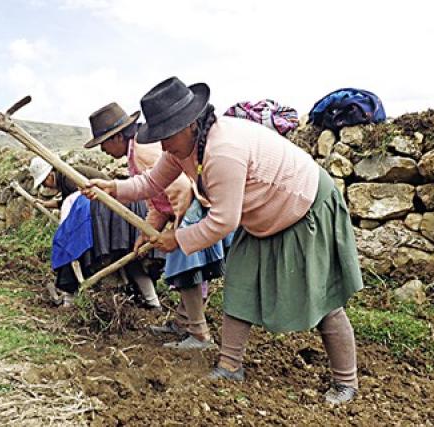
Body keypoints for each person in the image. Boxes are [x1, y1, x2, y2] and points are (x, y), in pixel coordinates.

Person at [82, 77, 364, 404]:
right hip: (261, 214)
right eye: (158, 137)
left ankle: (346, 381)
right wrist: (112, 187)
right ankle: (230, 366)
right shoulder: (182, 145)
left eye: (167, 136)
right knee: (240, 285)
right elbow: (150, 182)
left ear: (190, 124)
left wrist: (177, 240)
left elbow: (222, 221)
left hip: (302, 205)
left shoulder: (223, 151)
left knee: (322, 296)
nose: (163, 146)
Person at [84, 102, 228, 350]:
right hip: (184, 210)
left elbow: (180, 189)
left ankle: (201, 336)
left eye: (104, 143)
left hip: (192, 208)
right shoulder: (134, 153)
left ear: (118, 136)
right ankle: (184, 324)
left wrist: (179, 228)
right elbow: (156, 199)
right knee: (187, 269)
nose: (104, 151)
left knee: (186, 268)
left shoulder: (142, 150)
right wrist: (146, 232)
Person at [32, 156, 163, 309]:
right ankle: (153, 302)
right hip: (116, 209)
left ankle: (70, 302)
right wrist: (46, 204)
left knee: (83, 253)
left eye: (43, 183)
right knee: (130, 259)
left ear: (49, 175)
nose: (45, 187)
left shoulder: (68, 177)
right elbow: (67, 201)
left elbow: (76, 205)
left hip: (110, 212)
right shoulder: (64, 180)